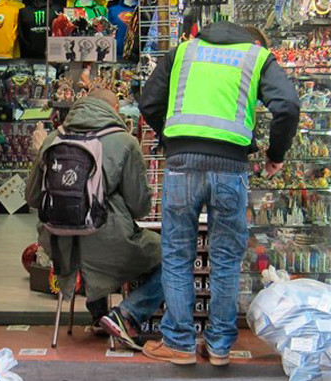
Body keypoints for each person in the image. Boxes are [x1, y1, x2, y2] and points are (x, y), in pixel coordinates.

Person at [139, 22, 299, 365]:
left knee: (177, 253)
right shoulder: (257, 57)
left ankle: (180, 343)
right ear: (252, 39)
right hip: (231, 166)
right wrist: (275, 154)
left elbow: (148, 102)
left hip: (182, 164)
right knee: (226, 258)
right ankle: (219, 346)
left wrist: (172, 141)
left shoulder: (183, 51)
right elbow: (287, 105)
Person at [26, 89, 165, 350]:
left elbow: (32, 197)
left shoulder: (54, 138)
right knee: (172, 258)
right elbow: (139, 208)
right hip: (108, 245)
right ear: (114, 109)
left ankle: (98, 316)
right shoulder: (124, 141)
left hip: (58, 244)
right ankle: (127, 315)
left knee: (86, 246)